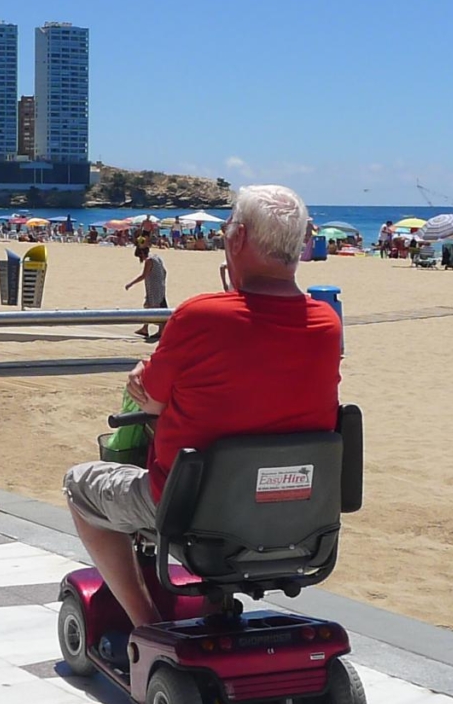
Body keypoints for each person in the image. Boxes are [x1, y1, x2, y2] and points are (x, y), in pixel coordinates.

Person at [61, 184, 341, 642]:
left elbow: (151, 400)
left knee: (80, 485)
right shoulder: (326, 324)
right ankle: (212, 605)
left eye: (229, 227)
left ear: (238, 238)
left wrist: (143, 382)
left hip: (191, 508)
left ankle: (146, 622)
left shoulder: (200, 316)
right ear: (305, 242)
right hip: (295, 511)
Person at [124, 244, 168, 341]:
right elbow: (165, 271)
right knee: (148, 305)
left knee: (155, 308)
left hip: (154, 287)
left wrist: (131, 284)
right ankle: (145, 328)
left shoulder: (149, 260)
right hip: (159, 285)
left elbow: (144, 275)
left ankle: (161, 330)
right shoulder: (156, 257)